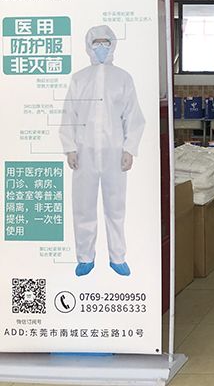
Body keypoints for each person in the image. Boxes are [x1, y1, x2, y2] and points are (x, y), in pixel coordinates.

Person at [60, 25, 145, 277]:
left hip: (113, 153)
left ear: (112, 44)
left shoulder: (123, 78)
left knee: (115, 207)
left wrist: (129, 149)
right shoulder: (79, 78)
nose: (100, 47)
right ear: (88, 46)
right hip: (84, 153)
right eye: (96, 43)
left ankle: (117, 257)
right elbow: (69, 115)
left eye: (105, 42)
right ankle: (85, 257)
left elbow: (133, 116)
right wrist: (70, 148)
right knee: (83, 207)